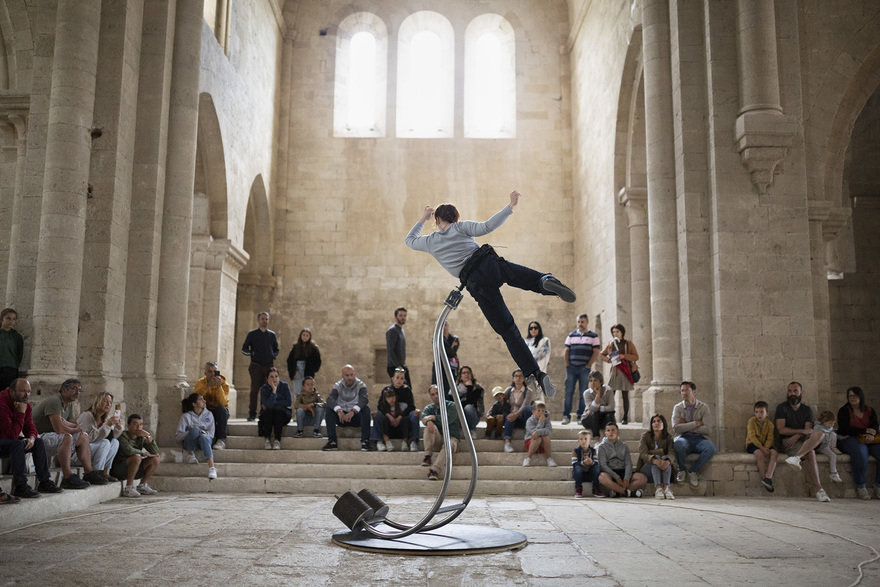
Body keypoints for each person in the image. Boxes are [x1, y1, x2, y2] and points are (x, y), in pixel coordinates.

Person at [405, 190, 576, 400]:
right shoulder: (461, 227)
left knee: (508, 329)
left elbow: (410, 240)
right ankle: (545, 282)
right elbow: (487, 226)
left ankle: (535, 374)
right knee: (525, 277)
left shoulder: (431, 241)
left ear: (438, 219)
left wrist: (423, 218)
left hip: (476, 283)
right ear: (456, 217)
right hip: (489, 264)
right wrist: (510, 206)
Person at [32, 378, 104, 489]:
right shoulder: (54, 401)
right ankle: (67, 477)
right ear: (64, 389)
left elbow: (73, 423)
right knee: (67, 437)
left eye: (79, 390)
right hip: (37, 438)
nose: (77, 392)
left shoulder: (68, 404)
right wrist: (73, 428)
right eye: (74, 388)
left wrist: (70, 426)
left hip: (53, 436)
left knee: (84, 436)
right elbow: (60, 429)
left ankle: (89, 473)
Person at [0, 378, 63, 498]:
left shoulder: (25, 405)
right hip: (3, 439)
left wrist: (32, 438)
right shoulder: (2, 403)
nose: (26, 395)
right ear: (12, 392)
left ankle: (44, 482)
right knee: (17, 444)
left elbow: (31, 428)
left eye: (29, 392)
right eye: (23, 391)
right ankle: (21, 486)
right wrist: (20, 413)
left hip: (9, 440)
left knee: (38, 442)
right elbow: (10, 435)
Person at [775, 381, 830, 502]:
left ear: (801, 393)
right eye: (789, 391)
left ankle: (796, 457)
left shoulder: (807, 410)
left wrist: (797, 434)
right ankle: (819, 490)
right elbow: (781, 429)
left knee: (820, 433)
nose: (792, 393)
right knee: (810, 453)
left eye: (795, 391)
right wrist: (798, 434)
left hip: (802, 439)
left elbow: (808, 430)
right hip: (788, 442)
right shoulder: (782, 408)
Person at [836, 386, 880, 500]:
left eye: (855, 395)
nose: (852, 398)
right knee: (861, 454)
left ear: (860, 396)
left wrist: (871, 433)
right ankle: (861, 486)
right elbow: (844, 428)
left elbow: (875, 425)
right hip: (850, 438)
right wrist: (864, 431)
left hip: (869, 439)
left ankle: (878, 485)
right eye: (850, 396)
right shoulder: (844, 410)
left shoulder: (869, 410)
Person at [671, 381, 717, 488]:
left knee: (711, 449)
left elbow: (708, 429)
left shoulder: (703, 407)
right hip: (684, 438)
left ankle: (693, 471)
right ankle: (681, 470)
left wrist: (686, 426)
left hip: (700, 439)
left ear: (694, 392)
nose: (684, 393)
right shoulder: (677, 408)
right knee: (678, 445)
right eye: (682, 390)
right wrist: (696, 423)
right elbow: (676, 428)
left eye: (687, 390)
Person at [323, 364, 371, 452]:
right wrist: (339, 410)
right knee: (329, 409)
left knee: (366, 410)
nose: (350, 377)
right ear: (342, 376)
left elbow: (364, 400)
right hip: (342, 418)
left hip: (355, 417)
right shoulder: (338, 385)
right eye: (347, 375)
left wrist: (353, 411)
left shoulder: (361, 385)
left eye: (351, 375)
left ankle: (365, 441)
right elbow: (330, 399)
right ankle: (332, 442)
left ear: (354, 374)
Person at [562, 314, 600, 425]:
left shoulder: (593, 336)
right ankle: (566, 416)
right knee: (568, 392)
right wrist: (568, 364)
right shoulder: (571, 335)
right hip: (571, 368)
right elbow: (566, 350)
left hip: (584, 369)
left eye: (582, 322)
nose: (580, 324)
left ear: (587, 322)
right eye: (579, 321)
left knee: (583, 393)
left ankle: (580, 417)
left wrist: (589, 365)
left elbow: (596, 352)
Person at [241, 311, 279, 421]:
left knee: (266, 389)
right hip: (256, 365)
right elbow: (244, 349)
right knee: (254, 390)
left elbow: (276, 349)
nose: (265, 321)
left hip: (268, 366)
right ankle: (252, 413)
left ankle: (264, 412)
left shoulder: (272, 335)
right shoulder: (252, 334)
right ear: (258, 320)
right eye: (262, 319)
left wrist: (273, 356)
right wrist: (251, 353)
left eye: (266, 319)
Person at [76, 391, 122, 482]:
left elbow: (113, 436)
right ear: (98, 401)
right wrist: (107, 425)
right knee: (104, 443)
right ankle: (95, 473)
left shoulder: (105, 418)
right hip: (79, 454)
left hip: (93, 452)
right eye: (105, 401)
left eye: (110, 402)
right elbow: (89, 439)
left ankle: (105, 472)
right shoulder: (87, 415)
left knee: (114, 442)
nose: (108, 404)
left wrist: (118, 428)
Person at [421, 384, 464, 481]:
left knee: (449, 444)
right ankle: (427, 455)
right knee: (429, 427)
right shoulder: (429, 408)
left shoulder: (452, 406)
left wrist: (434, 418)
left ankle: (434, 470)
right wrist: (429, 421)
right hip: (438, 440)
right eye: (433, 394)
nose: (435, 396)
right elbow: (423, 417)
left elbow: (448, 419)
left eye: (437, 393)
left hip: (451, 439)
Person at [111, 414, 160, 497]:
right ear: (128, 426)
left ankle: (142, 486)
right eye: (135, 424)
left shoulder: (141, 437)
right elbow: (129, 451)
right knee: (136, 457)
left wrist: (148, 436)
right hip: (118, 469)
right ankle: (129, 488)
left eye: (140, 424)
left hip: (134, 469)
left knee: (155, 459)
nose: (138, 427)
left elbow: (155, 452)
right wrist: (144, 454)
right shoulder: (122, 436)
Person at [372, 367, 421, 451]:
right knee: (377, 414)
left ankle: (413, 441)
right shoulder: (386, 390)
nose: (399, 380)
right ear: (392, 379)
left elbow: (411, 406)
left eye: (401, 378)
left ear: (404, 380)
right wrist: (389, 416)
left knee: (414, 414)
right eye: (397, 377)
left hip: (402, 419)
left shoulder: (407, 390)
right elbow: (380, 406)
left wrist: (400, 417)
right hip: (388, 418)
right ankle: (379, 440)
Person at [599, 324, 638, 425]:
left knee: (625, 395)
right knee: (611, 394)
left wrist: (624, 356)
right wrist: (609, 360)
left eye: (617, 332)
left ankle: (625, 417)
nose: (615, 334)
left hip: (626, 371)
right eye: (613, 332)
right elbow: (601, 354)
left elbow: (635, 357)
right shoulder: (611, 344)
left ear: (622, 332)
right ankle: (610, 416)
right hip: (615, 371)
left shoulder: (628, 344)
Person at [597, 421, 647, 497]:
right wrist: (617, 478)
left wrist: (626, 479)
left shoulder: (624, 446)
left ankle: (618, 492)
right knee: (601, 477)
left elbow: (628, 464)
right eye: (608, 430)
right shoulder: (601, 447)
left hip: (623, 471)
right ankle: (627, 492)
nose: (611, 432)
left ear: (618, 432)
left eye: (613, 430)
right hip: (610, 473)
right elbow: (603, 465)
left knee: (642, 478)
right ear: (605, 433)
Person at [175, 392, 218, 479]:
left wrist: (202, 433)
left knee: (204, 437)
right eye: (201, 399)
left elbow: (211, 433)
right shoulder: (186, 416)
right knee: (195, 430)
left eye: (203, 399)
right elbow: (178, 436)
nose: (204, 401)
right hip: (191, 442)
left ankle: (212, 468)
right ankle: (190, 454)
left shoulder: (209, 414)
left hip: (205, 441)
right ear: (194, 404)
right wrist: (192, 432)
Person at [637, 413, 675, 499]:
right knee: (657, 457)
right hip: (647, 469)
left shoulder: (668, 437)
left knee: (665, 459)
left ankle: (666, 488)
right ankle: (658, 488)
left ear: (663, 424)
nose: (656, 423)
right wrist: (655, 460)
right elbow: (643, 454)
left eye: (659, 421)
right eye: (654, 421)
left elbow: (672, 453)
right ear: (651, 424)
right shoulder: (645, 436)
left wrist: (667, 461)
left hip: (664, 469)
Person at [194, 361, 229, 449]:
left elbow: (223, 402)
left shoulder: (224, 384)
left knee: (222, 410)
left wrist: (218, 387)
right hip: (206, 409)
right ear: (205, 373)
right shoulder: (200, 383)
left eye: (215, 371)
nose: (213, 374)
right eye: (210, 372)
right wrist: (207, 386)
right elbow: (195, 398)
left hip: (219, 410)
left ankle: (221, 439)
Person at [745, 401, 778, 493]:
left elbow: (770, 438)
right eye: (756, 412)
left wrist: (766, 447)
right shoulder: (751, 421)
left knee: (774, 453)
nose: (759, 414)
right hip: (753, 444)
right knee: (759, 454)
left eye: (761, 412)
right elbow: (752, 436)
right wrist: (762, 448)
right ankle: (764, 478)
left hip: (765, 445)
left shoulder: (770, 425)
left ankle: (768, 477)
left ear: (767, 413)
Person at [259, 367, 292, 449]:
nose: (274, 379)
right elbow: (268, 406)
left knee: (278, 411)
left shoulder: (284, 386)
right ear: (267, 379)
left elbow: (288, 402)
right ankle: (267, 439)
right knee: (269, 411)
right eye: (271, 377)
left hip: (283, 414)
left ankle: (277, 440)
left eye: (276, 376)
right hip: (269, 415)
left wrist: (273, 404)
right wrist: (274, 391)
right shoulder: (264, 389)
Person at [502, 369, 534, 454]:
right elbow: (500, 402)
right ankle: (507, 443)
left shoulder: (528, 391)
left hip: (523, 417)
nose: (518, 378)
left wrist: (516, 414)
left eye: (521, 376)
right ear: (513, 378)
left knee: (528, 408)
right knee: (509, 417)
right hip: (512, 417)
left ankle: (529, 434)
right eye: (516, 376)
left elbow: (524, 405)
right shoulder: (508, 390)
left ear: (524, 379)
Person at [286, 328, 322, 400]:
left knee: (308, 390)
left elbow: (318, 361)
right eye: (303, 335)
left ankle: (307, 409)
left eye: (307, 335)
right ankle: (298, 409)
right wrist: (292, 370)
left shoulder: (313, 348)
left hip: (307, 371)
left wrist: (313, 368)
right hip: (297, 370)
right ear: (300, 336)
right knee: (297, 391)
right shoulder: (296, 347)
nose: (305, 337)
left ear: (309, 337)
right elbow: (289, 360)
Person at [580, 371, 615, 437]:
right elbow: (592, 409)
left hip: (604, 418)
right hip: (590, 420)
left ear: (601, 382)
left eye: (595, 380)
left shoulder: (609, 390)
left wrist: (598, 408)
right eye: (590, 381)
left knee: (609, 415)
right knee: (594, 414)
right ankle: (596, 436)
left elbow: (611, 407)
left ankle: (609, 437)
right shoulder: (587, 393)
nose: (592, 383)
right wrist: (598, 395)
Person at [376, 386, 410, 451]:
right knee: (384, 419)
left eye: (393, 396)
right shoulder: (383, 408)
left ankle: (405, 442)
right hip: (389, 430)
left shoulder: (402, 405)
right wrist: (390, 417)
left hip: (400, 430)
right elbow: (379, 409)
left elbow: (409, 409)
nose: (391, 399)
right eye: (389, 397)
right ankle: (387, 442)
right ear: (385, 399)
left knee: (406, 419)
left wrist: (399, 418)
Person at [523, 400, 556, 467]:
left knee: (545, 437)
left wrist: (538, 432)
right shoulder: (529, 421)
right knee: (537, 438)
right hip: (531, 443)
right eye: (538, 411)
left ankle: (549, 459)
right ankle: (528, 458)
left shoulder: (546, 419)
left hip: (542, 444)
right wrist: (540, 422)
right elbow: (534, 434)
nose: (541, 413)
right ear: (533, 412)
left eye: (543, 411)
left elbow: (549, 430)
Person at [525, 321, 551, 400]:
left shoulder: (545, 340)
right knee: (526, 392)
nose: (533, 330)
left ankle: (541, 411)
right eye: (531, 328)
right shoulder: (526, 341)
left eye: (535, 328)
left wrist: (529, 359)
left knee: (539, 393)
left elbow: (542, 354)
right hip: (527, 371)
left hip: (539, 370)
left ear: (539, 329)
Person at [814, 410, 842, 483]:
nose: (832, 425)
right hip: (821, 447)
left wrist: (841, 437)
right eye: (830, 423)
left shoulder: (829, 427)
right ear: (824, 421)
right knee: (833, 456)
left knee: (833, 434)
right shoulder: (817, 428)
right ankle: (833, 473)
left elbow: (833, 434)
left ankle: (833, 447)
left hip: (827, 445)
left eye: (833, 423)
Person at [386, 307, 411, 387]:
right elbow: (391, 350)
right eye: (400, 315)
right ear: (396, 316)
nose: (403, 317)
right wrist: (398, 366)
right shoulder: (392, 330)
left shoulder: (401, 330)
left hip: (401, 365)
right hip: (395, 366)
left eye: (404, 316)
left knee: (407, 389)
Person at [0, 308, 24, 391]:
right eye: (8, 318)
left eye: (14, 319)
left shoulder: (17, 337)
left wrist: (14, 365)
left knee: (8, 393)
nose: (11, 321)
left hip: (11, 369)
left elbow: (19, 354)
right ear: (1, 319)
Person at [571, 430, 600, 498]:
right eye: (581, 439)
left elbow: (596, 462)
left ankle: (596, 488)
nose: (583, 441)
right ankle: (578, 489)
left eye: (586, 439)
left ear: (590, 441)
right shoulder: (575, 451)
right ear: (578, 441)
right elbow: (574, 463)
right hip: (579, 475)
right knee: (577, 467)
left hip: (590, 475)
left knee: (597, 467)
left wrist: (591, 462)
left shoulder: (593, 451)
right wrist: (583, 463)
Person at [433, 321, 461, 392]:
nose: (443, 327)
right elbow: (444, 351)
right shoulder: (437, 339)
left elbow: (452, 352)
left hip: (452, 365)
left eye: (445, 325)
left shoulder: (454, 338)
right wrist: (451, 347)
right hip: (441, 365)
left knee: (452, 385)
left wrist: (449, 349)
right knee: (441, 385)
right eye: (441, 325)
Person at [456, 365, 484, 431]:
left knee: (468, 407)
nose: (466, 375)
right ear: (460, 376)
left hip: (472, 417)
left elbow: (470, 402)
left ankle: (471, 430)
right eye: (464, 373)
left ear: (471, 375)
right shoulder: (455, 389)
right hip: (459, 417)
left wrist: (469, 387)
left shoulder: (478, 389)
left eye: (468, 373)